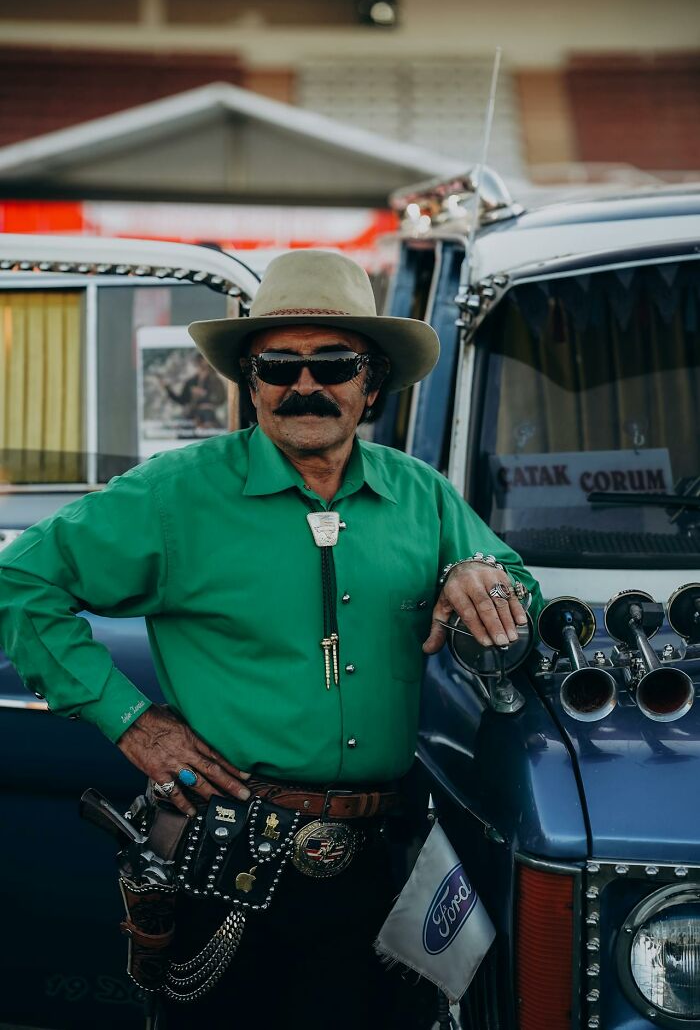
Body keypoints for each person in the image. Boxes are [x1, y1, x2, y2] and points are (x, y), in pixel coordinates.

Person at [0, 250, 542, 1029]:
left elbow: (521, 587)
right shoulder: (176, 494)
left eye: (334, 364)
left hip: (382, 866)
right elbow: (19, 580)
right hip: (227, 858)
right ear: (250, 385)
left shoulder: (420, 496)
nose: (305, 386)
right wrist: (133, 722)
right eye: (278, 366)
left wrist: (482, 576)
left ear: (373, 383)